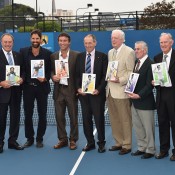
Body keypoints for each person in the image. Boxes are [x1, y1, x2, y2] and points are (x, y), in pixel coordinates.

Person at [76, 34, 108, 153]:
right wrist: (78, 89)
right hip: (84, 96)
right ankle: (90, 143)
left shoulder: (102, 56)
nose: (88, 45)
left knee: (99, 119)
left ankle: (101, 143)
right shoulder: (80, 56)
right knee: (86, 119)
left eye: (90, 43)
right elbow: (76, 75)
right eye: (86, 43)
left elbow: (105, 76)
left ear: (95, 43)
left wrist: (98, 89)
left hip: (97, 95)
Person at [20, 29, 52, 148]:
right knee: (28, 114)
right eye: (33, 38)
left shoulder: (47, 54)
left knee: (42, 114)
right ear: (30, 39)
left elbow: (49, 71)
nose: (35, 40)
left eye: (37, 38)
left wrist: (45, 78)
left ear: (40, 39)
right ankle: (30, 138)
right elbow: (22, 69)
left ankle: (39, 138)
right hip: (28, 88)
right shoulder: (23, 52)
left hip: (42, 88)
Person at [106, 29, 135, 155]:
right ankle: (118, 142)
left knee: (125, 120)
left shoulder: (129, 52)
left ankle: (127, 144)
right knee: (114, 119)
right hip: (110, 92)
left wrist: (121, 80)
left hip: (122, 92)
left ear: (123, 39)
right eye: (112, 38)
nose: (113, 40)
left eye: (116, 38)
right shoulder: (110, 52)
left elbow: (131, 72)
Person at [127, 41, 156, 159]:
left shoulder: (151, 63)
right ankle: (141, 147)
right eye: (135, 49)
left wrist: (139, 95)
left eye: (138, 49)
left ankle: (150, 149)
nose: (136, 51)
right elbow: (133, 80)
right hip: (134, 101)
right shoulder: (136, 62)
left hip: (145, 101)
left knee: (148, 128)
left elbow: (150, 85)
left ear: (144, 50)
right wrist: (129, 89)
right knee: (138, 126)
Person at [51, 32, 79, 150]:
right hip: (59, 91)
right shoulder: (53, 56)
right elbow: (51, 71)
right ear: (58, 42)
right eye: (60, 41)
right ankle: (62, 139)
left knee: (73, 117)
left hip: (71, 91)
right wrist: (53, 77)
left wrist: (78, 88)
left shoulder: (76, 55)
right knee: (59, 117)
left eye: (64, 41)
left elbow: (79, 74)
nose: (62, 43)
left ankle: (73, 140)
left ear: (69, 42)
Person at [0, 33, 24, 153]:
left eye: (10, 42)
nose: (8, 44)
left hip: (16, 93)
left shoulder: (18, 55)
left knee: (15, 119)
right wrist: (0, 83)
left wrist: (22, 79)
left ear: (13, 43)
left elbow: (23, 71)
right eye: (5, 42)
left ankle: (12, 141)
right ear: (1, 42)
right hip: (2, 94)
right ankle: (0, 143)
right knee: (1, 119)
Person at [153, 33, 175, 161]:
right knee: (162, 124)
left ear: (171, 42)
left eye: (165, 42)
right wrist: (154, 82)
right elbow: (156, 78)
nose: (163, 45)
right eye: (161, 42)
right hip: (161, 96)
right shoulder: (156, 58)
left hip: (173, 96)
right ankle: (164, 150)